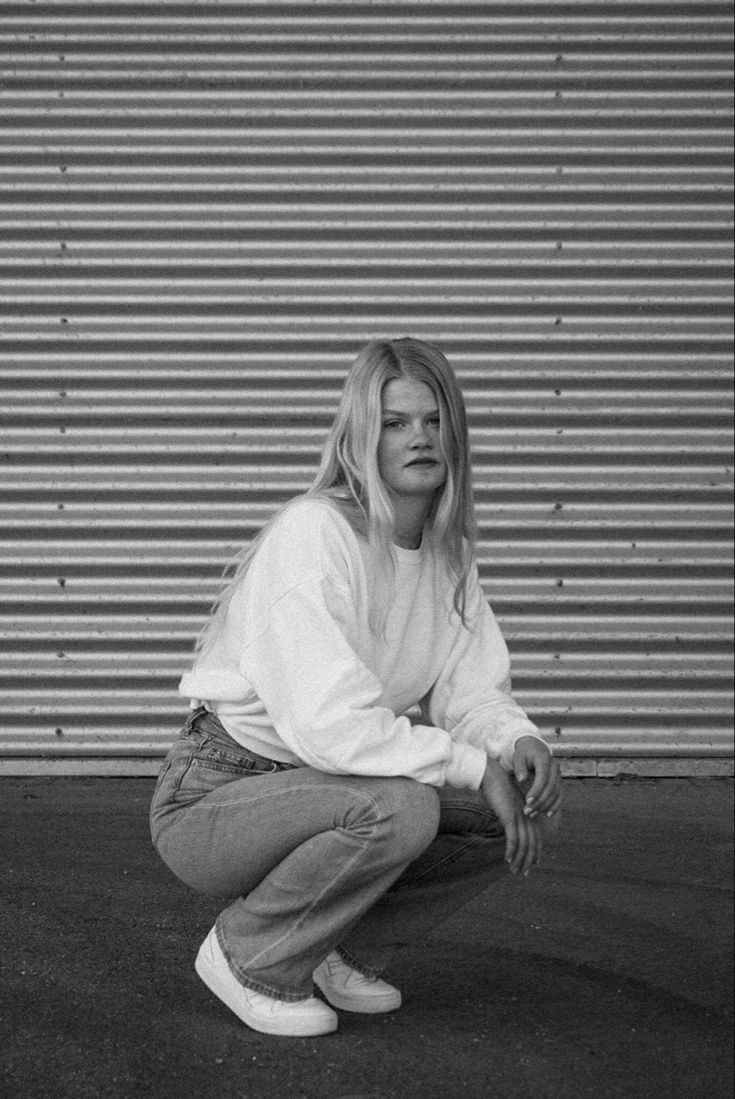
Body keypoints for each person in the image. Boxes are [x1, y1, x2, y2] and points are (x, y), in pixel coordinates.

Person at [149, 337, 562, 1038]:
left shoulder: (444, 558)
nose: (419, 438)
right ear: (360, 437)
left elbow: (467, 688)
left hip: (323, 782)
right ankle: (249, 953)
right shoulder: (315, 534)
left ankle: (330, 950)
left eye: (433, 421)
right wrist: (466, 764)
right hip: (214, 798)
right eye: (396, 423)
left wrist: (511, 738)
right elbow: (330, 723)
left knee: (516, 807)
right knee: (400, 807)